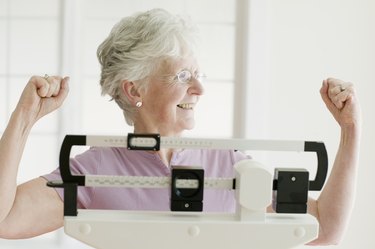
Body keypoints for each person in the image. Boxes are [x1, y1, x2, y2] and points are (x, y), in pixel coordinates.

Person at [0, 8, 361, 246]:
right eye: (182, 75)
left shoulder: (231, 165)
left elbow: (325, 230)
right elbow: (5, 219)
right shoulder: (93, 170)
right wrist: (24, 120)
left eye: (198, 75)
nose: (200, 88)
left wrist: (350, 130)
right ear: (134, 88)